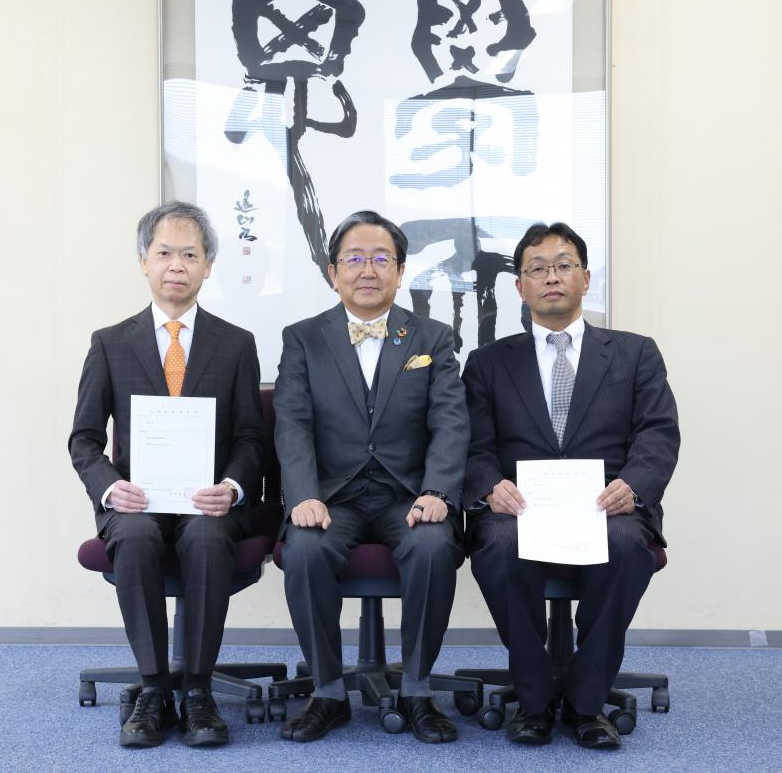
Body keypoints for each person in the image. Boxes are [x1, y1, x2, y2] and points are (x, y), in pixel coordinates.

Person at [462, 222, 680, 749]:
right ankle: (533, 699)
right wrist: (490, 486)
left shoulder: (635, 352)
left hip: (608, 503)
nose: (551, 277)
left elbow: (658, 431)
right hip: (519, 504)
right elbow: (471, 443)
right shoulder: (488, 362)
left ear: (585, 278)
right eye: (537, 269)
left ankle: (586, 702)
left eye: (563, 266)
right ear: (521, 287)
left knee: (626, 545)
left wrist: (634, 485)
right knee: (498, 545)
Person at [69, 201, 265, 748]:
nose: (176, 265)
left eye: (190, 255)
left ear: (208, 266)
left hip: (208, 502)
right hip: (137, 501)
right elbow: (84, 438)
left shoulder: (237, 343)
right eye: (164, 253)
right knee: (134, 536)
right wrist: (111, 487)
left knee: (205, 536)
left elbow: (252, 437)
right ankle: (154, 689)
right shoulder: (110, 342)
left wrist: (232, 488)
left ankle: (198, 690)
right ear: (144, 262)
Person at [274, 210, 469, 743]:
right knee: (305, 550)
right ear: (333, 272)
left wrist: (437, 491)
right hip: (331, 497)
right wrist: (303, 495)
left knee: (433, 546)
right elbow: (292, 423)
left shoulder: (433, 337)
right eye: (354, 259)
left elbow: (450, 422)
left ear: (400, 272)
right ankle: (328, 693)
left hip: (407, 495)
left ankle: (417, 690)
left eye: (381, 259)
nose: (367, 270)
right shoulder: (303, 338)